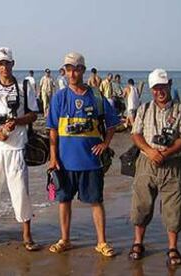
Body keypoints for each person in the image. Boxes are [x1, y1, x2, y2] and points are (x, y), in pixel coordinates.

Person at [47, 52, 120, 256]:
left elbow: (113, 123)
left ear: (83, 70)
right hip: (64, 162)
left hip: (91, 162)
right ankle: (65, 239)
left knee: (96, 201)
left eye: (76, 68)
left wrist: (105, 144)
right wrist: (53, 157)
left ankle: (102, 242)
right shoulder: (59, 97)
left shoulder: (95, 96)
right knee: (64, 201)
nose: (72, 73)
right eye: (68, 69)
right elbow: (52, 129)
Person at [0, 47, 40, 251]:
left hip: (17, 147)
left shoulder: (24, 87)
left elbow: (33, 115)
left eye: (7, 63)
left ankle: (27, 236)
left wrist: (16, 121)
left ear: (13, 64)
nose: (4, 67)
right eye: (0, 63)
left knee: (20, 191)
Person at [129, 69, 181, 266]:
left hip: (172, 164)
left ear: (170, 85)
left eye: (163, 87)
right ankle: (138, 243)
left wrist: (165, 153)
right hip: (146, 162)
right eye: (156, 88)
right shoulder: (144, 109)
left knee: (174, 206)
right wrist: (150, 151)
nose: (160, 91)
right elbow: (136, 134)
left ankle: (173, 248)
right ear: (151, 89)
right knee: (141, 205)